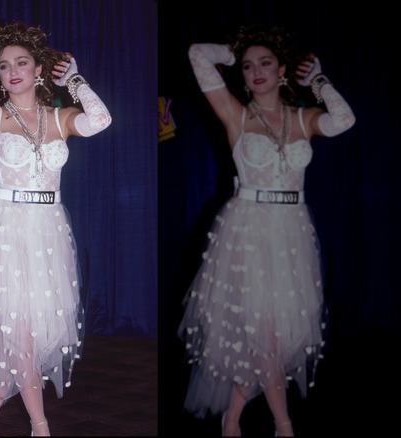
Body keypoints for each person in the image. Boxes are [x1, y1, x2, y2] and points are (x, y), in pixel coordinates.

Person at [0, 21, 111, 436]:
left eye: (22, 62)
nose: (12, 71)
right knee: (23, 336)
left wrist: (77, 80)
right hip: (4, 233)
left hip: (48, 234)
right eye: (4, 66)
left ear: (39, 71)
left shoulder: (61, 117)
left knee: (27, 336)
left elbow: (100, 121)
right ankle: (40, 424)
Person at [178, 24, 355, 436]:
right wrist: (234, 48)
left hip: (292, 234)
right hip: (248, 233)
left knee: (273, 336)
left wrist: (319, 80)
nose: (256, 71)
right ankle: (284, 425)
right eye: (247, 66)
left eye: (265, 63)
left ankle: (232, 418)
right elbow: (197, 55)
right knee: (267, 337)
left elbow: (344, 120)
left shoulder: (304, 117)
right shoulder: (235, 114)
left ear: (282, 71)